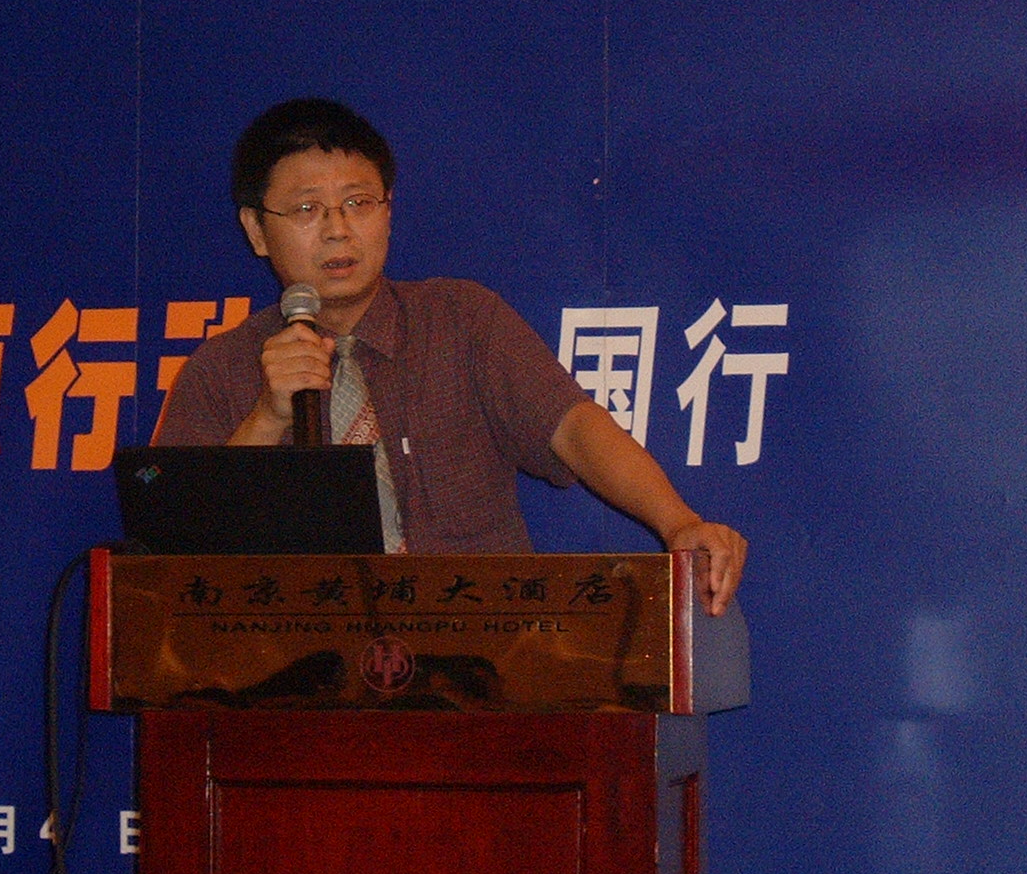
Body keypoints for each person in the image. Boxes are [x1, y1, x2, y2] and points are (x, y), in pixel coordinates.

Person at [153, 98, 747, 614]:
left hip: (481, 660)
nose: (338, 229)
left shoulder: (461, 320)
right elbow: (171, 560)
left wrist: (677, 522)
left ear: (388, 211)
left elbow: (572, 427)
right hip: (302, 677)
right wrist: (266, 418)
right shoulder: (220, 371)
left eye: (359, 202)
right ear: (257, 230)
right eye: (307, 209)